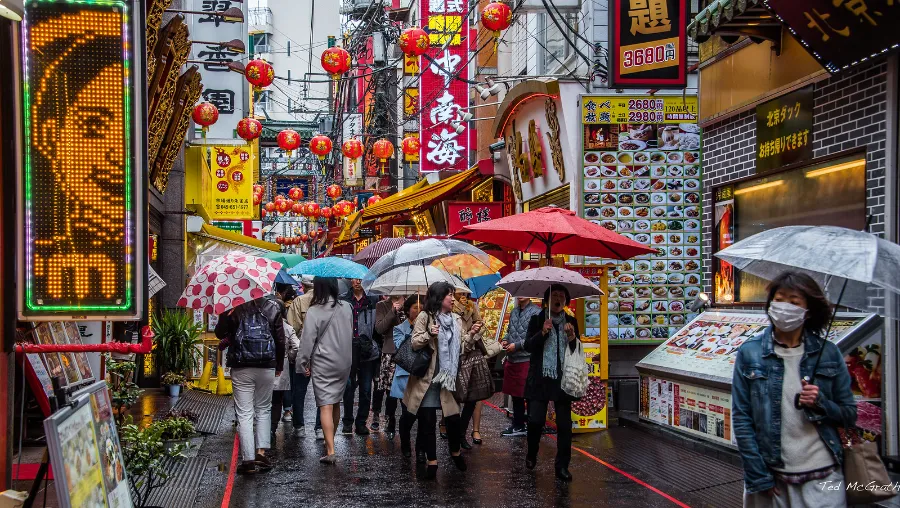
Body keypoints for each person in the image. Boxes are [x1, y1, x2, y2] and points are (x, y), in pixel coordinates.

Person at [733, 272, 856, 507]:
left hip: (825, 476)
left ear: (808, 311)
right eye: (779, 299)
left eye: (794, 302)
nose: (784, 307)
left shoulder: (828, 353)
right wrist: (758, 476)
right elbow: (742, 418)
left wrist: (821, 402)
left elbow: (849, 414)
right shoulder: (750, 353)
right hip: (772, 476)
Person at [402, 282, 474, 479]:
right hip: (426, 379)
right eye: (449, 295)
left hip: (447, 379)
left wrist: (473, 335)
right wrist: (429, 334)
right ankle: (432, 462)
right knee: (427, 423)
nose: (453, 298)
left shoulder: (456, 319)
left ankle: (455, 452)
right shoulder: (425, 317)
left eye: (452, 295)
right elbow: (415, 342)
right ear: (439, 298)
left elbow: (463, 347)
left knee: (453, 420)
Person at [215, 294, 286, 475]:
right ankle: (261, 453)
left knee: (245, 413)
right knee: (263, 409)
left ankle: (247, 459)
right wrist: (278, 365)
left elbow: (219, 333)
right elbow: (280, 339)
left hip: (242, 365)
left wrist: (225, 313)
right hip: (266, 365)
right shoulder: (272, 307)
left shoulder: (234, 306)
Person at [523, 284, 580, 482]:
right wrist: (543, 332)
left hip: (563, 380)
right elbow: (528, 346)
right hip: (540, 379)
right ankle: (532, 453)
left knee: (564, 426)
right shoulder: (537, 319)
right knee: (535, 421)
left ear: (566, 301)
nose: (558, 299)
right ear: (547, 299)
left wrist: (572, 337)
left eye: (561, 296)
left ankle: (562, 466)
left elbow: (575, 349)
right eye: (554, 295)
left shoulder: (571, 321)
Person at [296, 277, 354, 464]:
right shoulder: (347, 307)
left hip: (323, 361)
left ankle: (330, 450)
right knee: (336, 401)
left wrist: (302, 363)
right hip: (344, 361)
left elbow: (307, 341)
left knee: (325, 405)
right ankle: (332, 441)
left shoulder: (314, 310)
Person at [340, 279, 380, 435]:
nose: (357, 282)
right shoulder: (343, 299)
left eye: (361, 279)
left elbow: (378, 327)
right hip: (348, 350)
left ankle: (361, 422)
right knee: (348, 387)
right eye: (355, 279)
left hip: (368, 351)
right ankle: (347, 421)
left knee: (366, 389)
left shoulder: (372, 299)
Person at [286, 275, 323, 439]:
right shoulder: (326, 302)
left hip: (302, 350)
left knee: (299, 390)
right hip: (323, 352)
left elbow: (291, 328)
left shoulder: (298, 301)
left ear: (303, 285)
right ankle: (320, 427)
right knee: (322, 391)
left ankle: (299, 426)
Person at [453, 290, 489, 448]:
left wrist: (476, 328)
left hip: (472, 353)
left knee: (472, 396)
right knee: (454, 396)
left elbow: (482, 325)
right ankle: (452, 432)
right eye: (459, 292)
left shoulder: (472, 305)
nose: (463, 295)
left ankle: (462, 432)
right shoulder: (448, 306)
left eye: (465, 292)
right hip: (456, 354)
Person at [501, 297, 542, 437]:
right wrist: (505, 339)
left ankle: (531, 425)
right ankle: (518, 424)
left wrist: (517, 346)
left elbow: (535, 337)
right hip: (512, 358)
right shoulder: (514, 311)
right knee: (515, 394)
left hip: (527, 358)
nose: (521, 295)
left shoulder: (536, 311)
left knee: (528, 394)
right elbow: (509, 330)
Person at [394, 295, 425, 461]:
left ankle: (420, 449)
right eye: (415, 307)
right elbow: (401, 349)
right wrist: (415, 331)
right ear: (408, 310)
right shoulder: (399, 329)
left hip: (421, 377)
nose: (418, 310)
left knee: (423, 416)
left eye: (421, 307)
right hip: (405, 378)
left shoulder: (428, 327)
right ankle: (405, 442)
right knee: (408, 415)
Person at [372, 294, 406, 437]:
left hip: (406, 352)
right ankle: (389, 421)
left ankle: (404, 425)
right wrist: (393, 311)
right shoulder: (382, 305)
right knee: (389, 390)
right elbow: (380, 328)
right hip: (389, 351)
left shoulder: (410, 303)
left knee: (405, 390)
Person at [273, 283, 296, 427]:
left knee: (265, 401)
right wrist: (290, 356)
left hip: (266, 367)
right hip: (283, 367)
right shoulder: (287, 327)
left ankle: (265, 429)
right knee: (277, 399)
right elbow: (297, 346)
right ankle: (273, 428)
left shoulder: (265, 324)